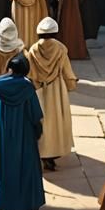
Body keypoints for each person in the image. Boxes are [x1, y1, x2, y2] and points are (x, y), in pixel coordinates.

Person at [0, 52, 44, 210]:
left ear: (10, 68)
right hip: (24, 134)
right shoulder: (28, 87)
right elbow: (35, 114)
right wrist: (38, 131)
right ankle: (25, 209)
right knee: (25, 168)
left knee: (3, 167)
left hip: (2, 135)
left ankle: (3, 203)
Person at [25, 17, 77, 169]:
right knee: (56, 122)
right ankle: (53, 154)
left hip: (38, 89)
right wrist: (71, 83)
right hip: (56, 90)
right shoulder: (61, 48)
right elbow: (67, 70)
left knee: (41, 121)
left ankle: (41, 152)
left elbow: (29, 72)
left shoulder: (33, 49)